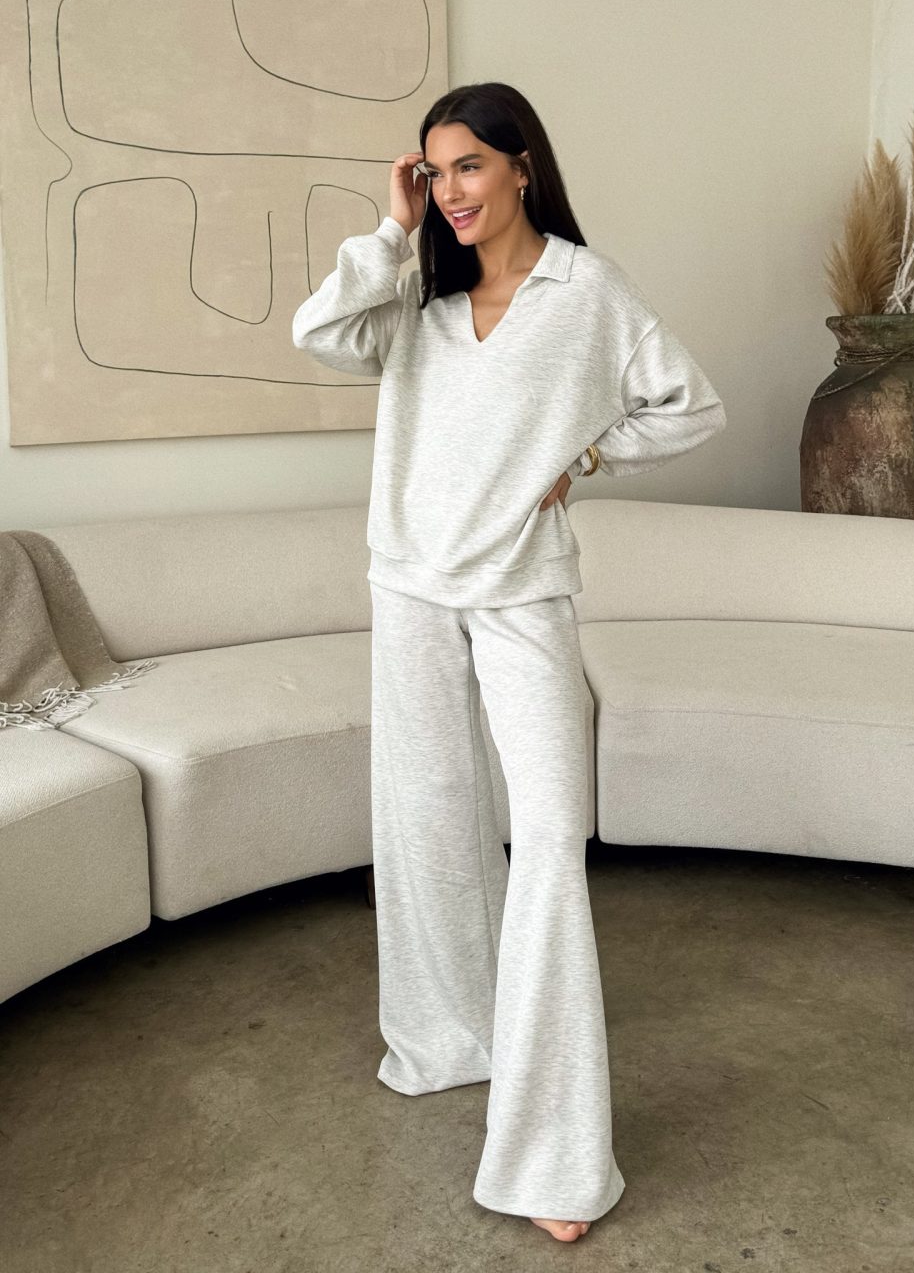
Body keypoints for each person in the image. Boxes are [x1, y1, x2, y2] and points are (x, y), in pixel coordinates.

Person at [292, 81, 727, 1243]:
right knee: (428, 819)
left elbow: (692, 406)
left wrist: (588, 456)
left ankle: (554, 1157)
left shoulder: (587, 293)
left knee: (547, 838)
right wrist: (391, 227)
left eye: (470, 166)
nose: (452, 191)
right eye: (435, 172)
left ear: (523, 165)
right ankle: (451, 1036)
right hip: (408, 587)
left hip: (524, 592)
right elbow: (319, 332)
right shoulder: (414, 298)